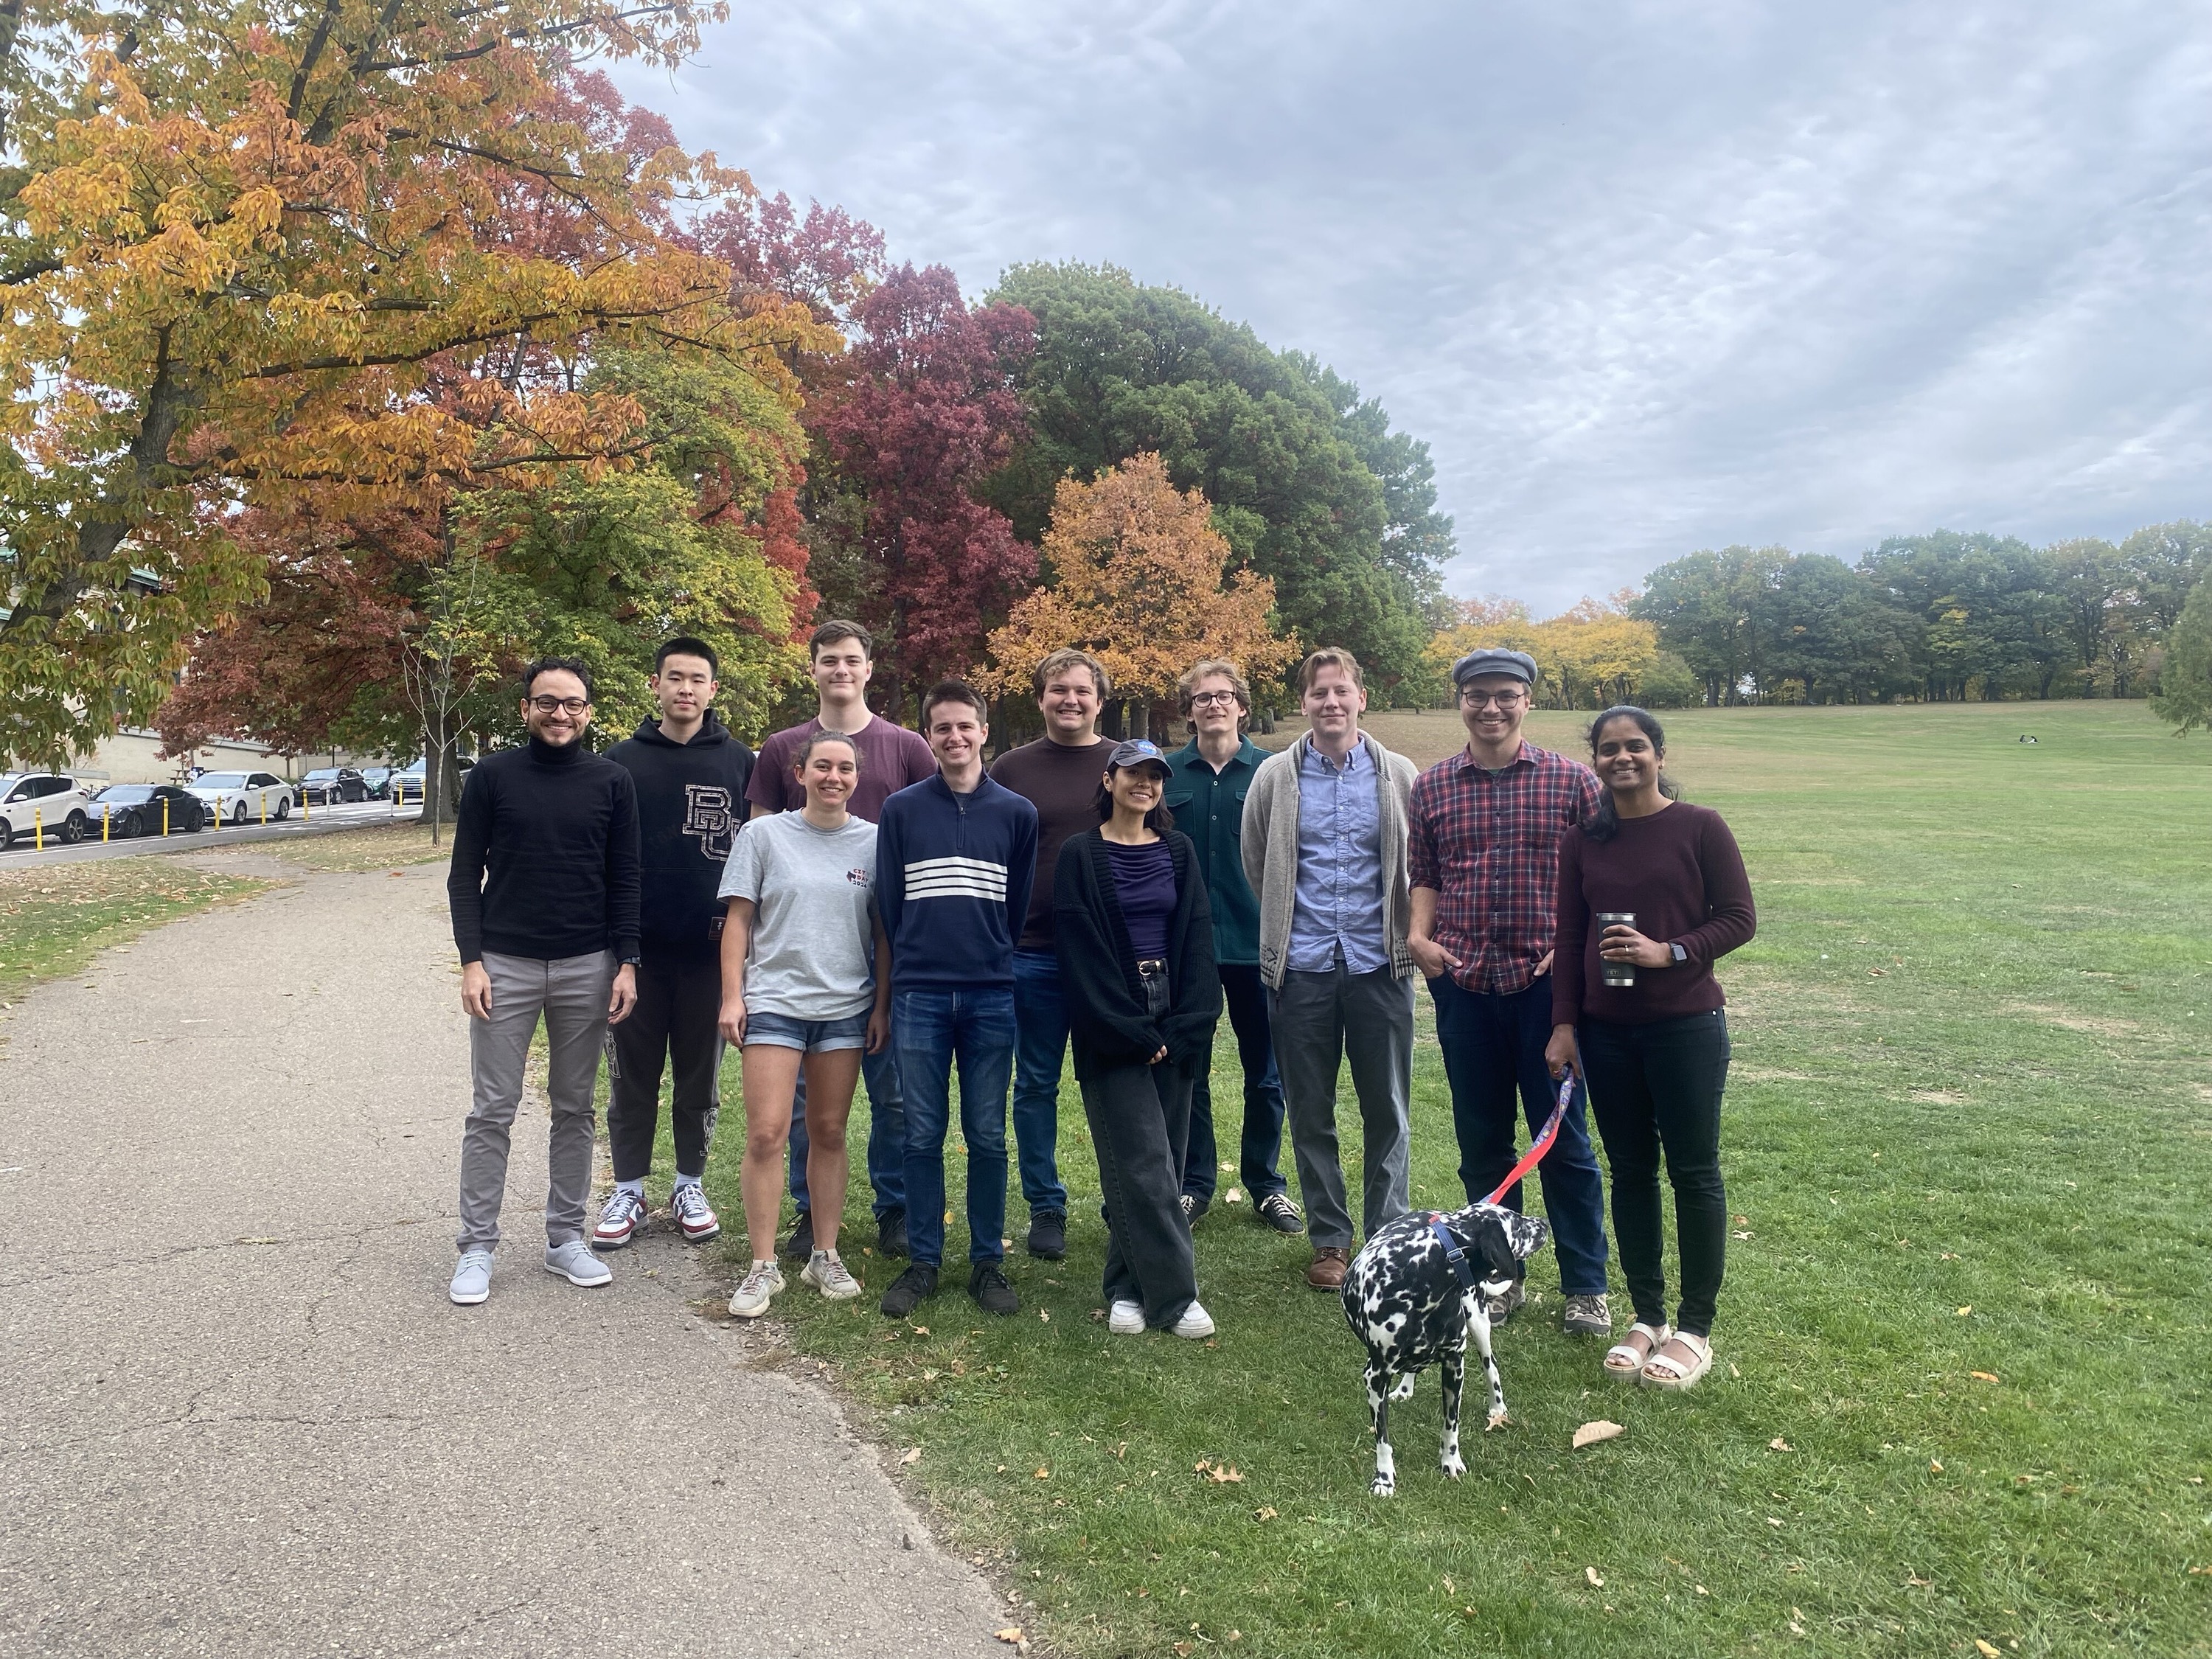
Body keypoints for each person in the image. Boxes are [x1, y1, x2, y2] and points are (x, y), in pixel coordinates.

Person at [1545, 706, 1756, 1392]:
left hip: (1685, 1026)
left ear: (1659, 755)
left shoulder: (1700, 826)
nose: (1622, 758)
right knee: (1630, 1171)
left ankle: (1694, 1327)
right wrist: (1565, 1025)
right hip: (1607, 1032)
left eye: (1635, 746)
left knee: (1693, 1171)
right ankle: (1648, 1316)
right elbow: (1571, 939)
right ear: (1596, 762)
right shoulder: (1583, 840)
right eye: (1609, 749)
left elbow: (1739, 919)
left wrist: (1671, 952)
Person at [1408, 647, 1613, 1336]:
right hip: (1462, 984)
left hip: (1546, 989)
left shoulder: (1572, 783)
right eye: (1477, 695)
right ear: (1460, 701)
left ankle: (1586, 1285)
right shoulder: (1434, 785)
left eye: (1505, 695)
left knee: (1563, 1138)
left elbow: (1604, 876)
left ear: (1527, 701)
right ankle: (1500, 1277)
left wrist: (1573, 947)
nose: (1490, 708)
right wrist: (1418, 937)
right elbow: (1426, 872)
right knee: (1482, 1142)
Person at [445, 657, 640, 1306]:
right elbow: (463, 876)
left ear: (589, 712)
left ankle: (565, 1238)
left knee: (574, 1106)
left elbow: (626, 881)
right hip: (506, 964)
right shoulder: (493, 777)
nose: (560, 714)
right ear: (525, 708)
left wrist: (627, 964)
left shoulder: (613, 781)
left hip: (588, 965)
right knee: (492, 1109)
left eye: (573, 704)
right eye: (546, 702)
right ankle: (477, 1247)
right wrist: (471, 961)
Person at [748, 620, 936, 1263]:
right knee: (802, 1106)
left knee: (893, 1092)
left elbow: (935, 824)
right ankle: (807, 1213)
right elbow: (762, 847)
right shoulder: (781, 747)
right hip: (802, 958)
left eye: (852, 660)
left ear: (868, 668)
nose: (840, 670)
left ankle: (895, 1210)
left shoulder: (906, 746)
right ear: (814, 669)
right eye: (829, 660)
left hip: (889, 943)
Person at [1242, 647, 1420, 1291]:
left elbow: (1418, 865)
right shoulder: (1274, 777)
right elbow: (1258, 861)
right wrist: (1291, 931)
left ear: (1361, 698)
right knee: (1310, 1110)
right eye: (1319, 693)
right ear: (1305, 703)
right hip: (1304, 969)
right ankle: (1329, 1239)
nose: (1331, 703)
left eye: (1342, 691)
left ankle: (1389, 1236)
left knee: (1388, 1109)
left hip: (1381, 967)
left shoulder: (1399, 774)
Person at [874, 681, 1038, 1319]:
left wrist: (992, 950)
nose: (954, 738)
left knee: (987, 1134)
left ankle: (987, 1262)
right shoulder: (903, 810)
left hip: (992, 994)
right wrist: (897, 984)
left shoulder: (1016, 813)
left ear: (983, 730)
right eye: (941, 728)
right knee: (921, 1133)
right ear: (929, 736)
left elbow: (1017, 904)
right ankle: (924, 1261)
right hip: (919, 992)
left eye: (964, 726)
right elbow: (889, 903)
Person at [1053, 739, 1223, 1337]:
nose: (1144, 785)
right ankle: (1176, 1298)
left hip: (1173, 1014)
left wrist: (1188, 1023)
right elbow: (1080, 951)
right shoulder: (1080, 854)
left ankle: (1126, 1288)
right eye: (1133, 774)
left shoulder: (1178, 851)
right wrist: (1126, 1027)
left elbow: (1199, 937)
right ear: (1109, 780)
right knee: (1144, 1162)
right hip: (1112, 1018)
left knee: (1163, 1164)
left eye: (1155, 776)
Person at [717, 733, 891, 1316]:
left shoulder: (874, 842)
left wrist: (881, 1004)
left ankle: (825, 1252)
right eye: (822, 766)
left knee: (829, 1132)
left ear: (856, 778)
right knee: (767, 1133)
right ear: (800, 772)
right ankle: (762, 1266)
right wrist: (732, 997)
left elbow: (883, 934)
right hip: (774, 1002)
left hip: (844, 1007)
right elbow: (739, 921)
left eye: (845, 768)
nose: (833, 777)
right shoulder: (763, 836)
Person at [594, 637, 755, 1251]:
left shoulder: (742, 762)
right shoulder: (619, 761)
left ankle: (689, 1184)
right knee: (631, 1080)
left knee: (698, 1080)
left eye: (698, 679)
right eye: (675, 677)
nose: (686, 688)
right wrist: (619, 950)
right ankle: (629, 1187)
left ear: (714, 689)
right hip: (636, 955)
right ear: (655, 685)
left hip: (712, 954)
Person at [1162, 660, 1299, 1234]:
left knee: (1266, 1071)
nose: (1213, 705)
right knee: (1188, 1069)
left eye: (1224, 697)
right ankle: (1194, 1185)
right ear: (1189, 708)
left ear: (1242, 706)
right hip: (1184, 947)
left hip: (1257, 943)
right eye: (1202, 698)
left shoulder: (1275, 772)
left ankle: (1266, 1183)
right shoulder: (1164, 774)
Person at [987, 647, 1114, 1262]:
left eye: (1081, 691)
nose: (1070, 700)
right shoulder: (1010, 768)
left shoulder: (1126, 763)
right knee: (1035, 1084)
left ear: (1099, 699)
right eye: (1057, 690)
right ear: (1039, 698)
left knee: (1112, 1082)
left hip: (1104, 958)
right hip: (1029, 952)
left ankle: (1124, 1200)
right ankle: (1046, 1205)